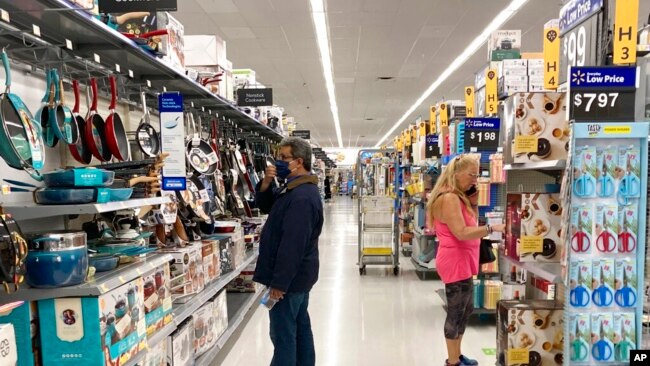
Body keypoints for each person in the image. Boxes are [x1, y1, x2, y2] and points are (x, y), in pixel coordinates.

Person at [427, 155, 505, 366]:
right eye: (471, 174)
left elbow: (469, 224)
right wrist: (492, 228)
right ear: (456, 174)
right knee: (456, 311)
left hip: (463, 260)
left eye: (477, 174)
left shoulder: (458, 197)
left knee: (466, 309)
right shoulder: (449, 198)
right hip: (455, 261)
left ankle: (458, 355)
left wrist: (473, 202)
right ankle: (453, 361)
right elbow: (461, 232)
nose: (475, 179)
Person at [254, 137, 324, 366]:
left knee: (283, 336)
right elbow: (265, 205)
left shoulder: (302, 197)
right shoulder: (292, 188)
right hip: (298, 278)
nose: (278, 161)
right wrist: (266, 181)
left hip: (289, 281)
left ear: (299, 161)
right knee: (300, 327)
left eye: (284, 157)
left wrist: (279, 283)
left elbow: (292, 245)